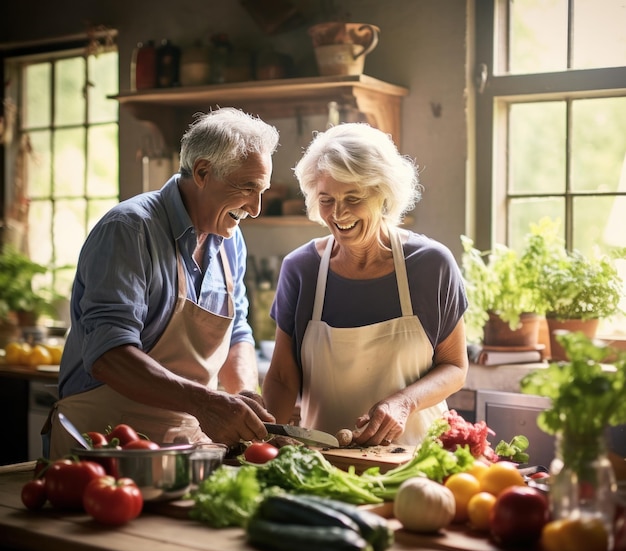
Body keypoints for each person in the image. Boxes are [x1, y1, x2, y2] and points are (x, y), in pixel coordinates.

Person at [46, 107, 280, 459]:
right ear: (203, 172)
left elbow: (237, 331)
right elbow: (109, 355)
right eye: (248, 187)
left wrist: (244, 393)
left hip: (183, 446)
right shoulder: (128, 229)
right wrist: (205, 402)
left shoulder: (231, 240)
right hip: (103, 444)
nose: (256, 208)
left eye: (262, 190)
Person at [262, 123, 469, 447]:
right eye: (327, 199)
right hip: (324, 463)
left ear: (382, 194)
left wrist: (404, 402)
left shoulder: (432, 265)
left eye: (353, 198)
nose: (338, 213)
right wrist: (267, 440)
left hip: (416, 461)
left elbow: (455, 366)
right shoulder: (301, 269)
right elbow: (282, 378)